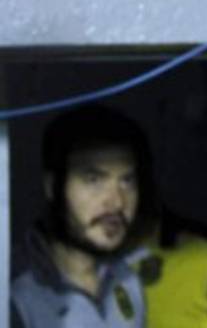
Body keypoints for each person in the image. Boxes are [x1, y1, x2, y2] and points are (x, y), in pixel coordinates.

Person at [11, 105, 153, 328]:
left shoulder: (128, 279)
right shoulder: (15, 294)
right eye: (94, 180)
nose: (117, 202)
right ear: (53, 187)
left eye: (127, 181)